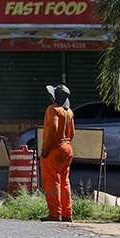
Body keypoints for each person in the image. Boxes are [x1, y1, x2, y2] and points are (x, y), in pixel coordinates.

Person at [40, 83, 75, 223]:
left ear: (54, 97)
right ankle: (67, 213)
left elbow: (53, 128)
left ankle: (55, 214)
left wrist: (45, 148)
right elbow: (72, 133)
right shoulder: (69, 112)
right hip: (67, 149)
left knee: (52, 182)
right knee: (64, 181)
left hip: (54, 150)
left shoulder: (52, 110)